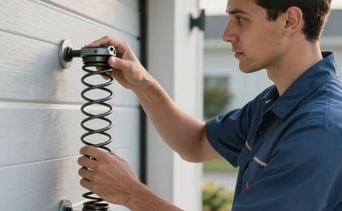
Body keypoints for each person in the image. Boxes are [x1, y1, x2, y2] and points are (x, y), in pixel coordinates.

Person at [78, 0, 342, 210]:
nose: (227, 34)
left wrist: (131, 194)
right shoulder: (273, 104)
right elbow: (195, 142)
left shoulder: (319, 130)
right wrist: (141, 82)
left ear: (290, 20)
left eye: (240, 18)